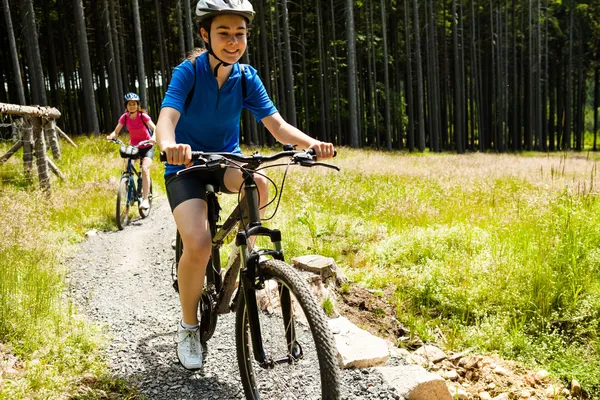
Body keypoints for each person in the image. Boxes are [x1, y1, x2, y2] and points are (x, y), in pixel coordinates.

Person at [155, 0, 335, 371]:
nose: (233, 41)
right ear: (205, 35)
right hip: (185, 166)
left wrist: (312, 145)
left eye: (240, 33)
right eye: (224, 33)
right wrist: (169, 146)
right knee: (200, 243)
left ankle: (247, 257)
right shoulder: (188, 72)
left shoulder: (246, 77)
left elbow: (278, 126)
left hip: (224, 160)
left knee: (260, 182)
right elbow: (166, 118)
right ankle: (189, 326)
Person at [107, 92, 156, 210]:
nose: (132, 106)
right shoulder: (124, 117)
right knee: (127, 168)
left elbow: (155, 128)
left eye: (134, 104)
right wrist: (111, 136)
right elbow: (116, 131)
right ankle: (128, 187)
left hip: (147, 146)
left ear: (137, 105)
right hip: (134, 147)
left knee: (144, 168)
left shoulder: (142, 116)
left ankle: (145, 200)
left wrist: (153, 138)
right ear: (126, 106)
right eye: (129, 104)